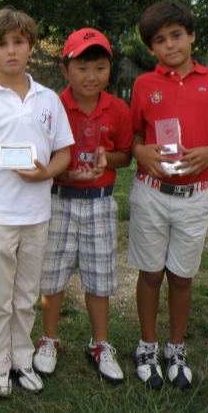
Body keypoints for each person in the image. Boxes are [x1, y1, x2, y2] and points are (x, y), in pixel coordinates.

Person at [0, 7, 74, 396]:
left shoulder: (49, 100)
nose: (11, 51)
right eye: (1, 44)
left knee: (25, 297)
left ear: (30, 47)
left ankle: (23, 359)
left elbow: (63, 154)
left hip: (37, 216)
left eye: (18, 42)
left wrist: (45, 173)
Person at [129, 1, 208, 390]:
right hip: (152, 192)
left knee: (181, 276)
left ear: (191, 35)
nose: (170, 45)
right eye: (159, 40)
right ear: (151, 48)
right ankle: (147, 346)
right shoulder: (144, 85)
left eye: (176, 35)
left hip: (194, 196)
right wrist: (140, 152)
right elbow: (136, 136)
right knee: (151, 272)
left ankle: (176, 348)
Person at [33, 29, 132, 382]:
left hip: (100, 203)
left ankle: (100, 344)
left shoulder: (118, 108)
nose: (91, 77)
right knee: (52, 272)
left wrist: (109, 160)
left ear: (110, 69)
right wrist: (65, 174)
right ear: (65, 69)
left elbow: (126, 154)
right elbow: (42, 157)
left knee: (99, 275)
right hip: (59, 199)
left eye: (100, 68)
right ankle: (49, 339)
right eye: (82, 67)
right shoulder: (51, 105)